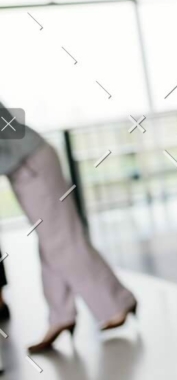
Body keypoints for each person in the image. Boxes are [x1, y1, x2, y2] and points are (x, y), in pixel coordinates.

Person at [0, 101, 138, 353]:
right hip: (25, 167)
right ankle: (61, 317)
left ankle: (119, 302)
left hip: (31, 165)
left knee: (61, 242)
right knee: (52, 243)